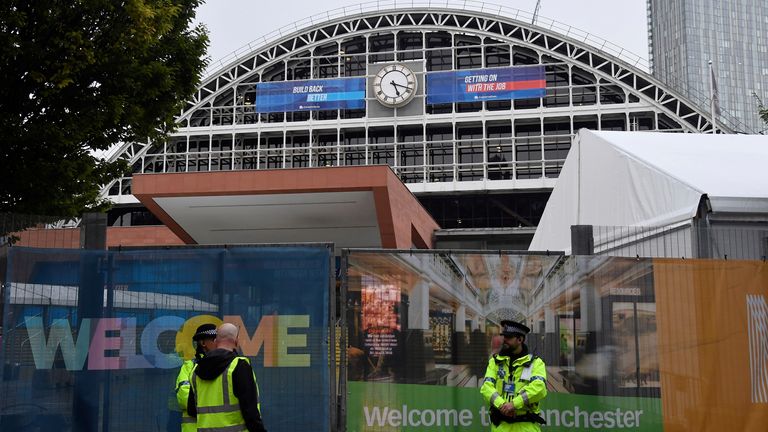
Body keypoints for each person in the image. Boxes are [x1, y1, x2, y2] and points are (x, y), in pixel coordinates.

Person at [188, 323, 267, 432]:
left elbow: (192, 410)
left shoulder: (195, 370)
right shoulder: (239, 365)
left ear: (216, 341)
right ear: (236, 341)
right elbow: (250, 411)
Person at [480, 320, 547, 431]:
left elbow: (539, 388)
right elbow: (486, 388)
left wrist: (514, 404)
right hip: (501, 427)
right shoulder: (495, 362)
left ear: (520, 339)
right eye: (504, 336)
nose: (504, 340)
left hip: (526, 427)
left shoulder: (535, 363)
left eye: (509, 337)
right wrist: (502, 405)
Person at [175, 323, 217, 432]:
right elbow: (184, 398)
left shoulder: (227, 365)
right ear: (203, 343)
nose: (218, 343)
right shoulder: (189, 366)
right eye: (214, 339)